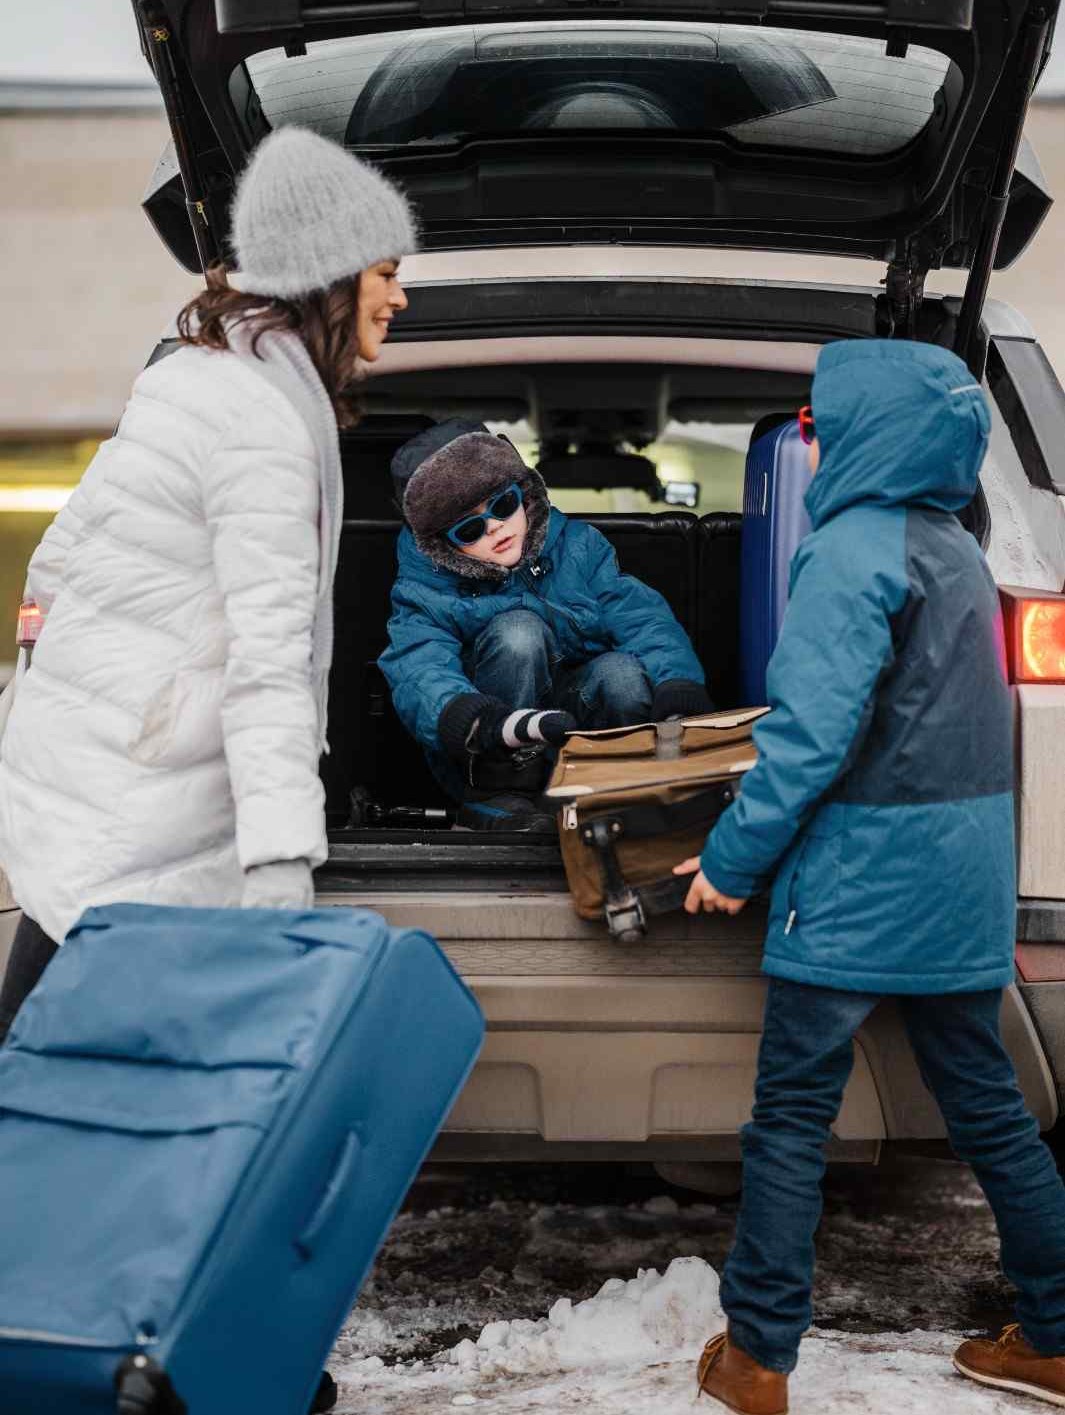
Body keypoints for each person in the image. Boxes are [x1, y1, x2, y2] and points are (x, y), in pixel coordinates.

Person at [673, 337, 1065, 1413]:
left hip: (860, 880)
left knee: (791, 1116)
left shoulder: (850, 549)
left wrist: (730, 860)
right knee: (989, 1111)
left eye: (822, 418)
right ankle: (1056, 1333)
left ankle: (756, 1360)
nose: (814, 431)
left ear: (869, 430)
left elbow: (808, 738)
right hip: (958, 878)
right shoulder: (958, 549)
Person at [0, 127, 416, 1041]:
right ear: (328, 275)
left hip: (93, 779)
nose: (400, 293)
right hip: (143, 817)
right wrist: (278, 869)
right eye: (383, 270)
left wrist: (45, 694)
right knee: (75, 1096)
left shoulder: (194, 377)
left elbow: (56, 568)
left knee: (37, 1064)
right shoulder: (262, 426)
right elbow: (266, 662)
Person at [380, 420, 712, 830]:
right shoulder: (425, 587)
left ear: (526, 495)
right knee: (519, 631)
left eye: (503, 505)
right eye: (469, 529)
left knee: (621, 673)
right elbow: (418, 664)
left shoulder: (578, 546)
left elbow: (640, 617)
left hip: (572, 719)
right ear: (442, 544)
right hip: (489, 740)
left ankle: (617, 783)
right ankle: (505, 791)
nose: (496, 528)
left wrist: (677, 683)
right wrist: (470, 720)